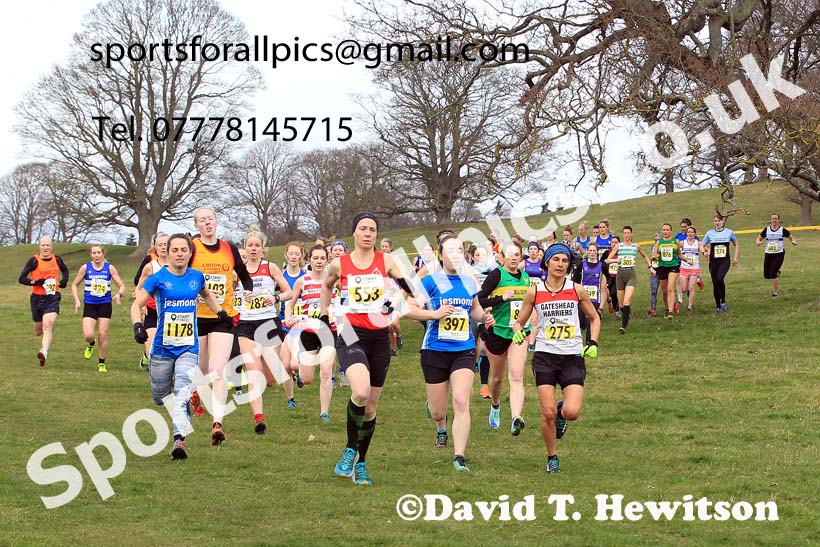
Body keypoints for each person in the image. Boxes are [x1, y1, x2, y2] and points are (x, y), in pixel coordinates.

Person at [322, 212, 416, 486]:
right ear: (354, 232)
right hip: (351, 332)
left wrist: (396, 305)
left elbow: (407, 287)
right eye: (362, 228)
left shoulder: (386, 260)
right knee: (360, 392)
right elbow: (326, 288)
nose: (367, 233)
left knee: (371, 407)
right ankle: (350, 448)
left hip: (379, 336)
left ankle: (360, 463)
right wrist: (327, 316)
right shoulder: (339, 264)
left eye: (372, 229)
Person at [131, 233, 231, 460]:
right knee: (160, 397)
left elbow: (207, 295)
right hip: (162, 348)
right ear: (167, 252)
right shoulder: (158, 278)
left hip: (188, 346)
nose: (179, 254)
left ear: (189, 253)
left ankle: (179, 440)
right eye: (174, 250)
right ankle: (174, 397)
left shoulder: (196, 277)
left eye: (183, 250)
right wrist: (138, 326)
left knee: (183, 392)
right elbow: (136, 305)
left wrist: (221, 313)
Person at [406, 234, 495, 473]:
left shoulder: (469, 282)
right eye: (449, 251)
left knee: (461, 400)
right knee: (438, 410)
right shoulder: (431, 281)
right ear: (440, 254)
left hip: (463, 350)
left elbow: (474, 310)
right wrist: (434, 314)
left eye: (459, 250)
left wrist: (484, 317)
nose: (454, 255)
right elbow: (408, 309)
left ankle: (459, 456)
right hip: (434, 349)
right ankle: (441, 427)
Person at [511, 243, 600, 474]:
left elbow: (594, 318)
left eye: (564, 261)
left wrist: (592, 342)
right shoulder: (535, 291)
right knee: (546, 412)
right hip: (545, 356)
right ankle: (552, 457)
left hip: (571, 356)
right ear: (547, 262)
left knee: (572, 413)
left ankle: (562, 412)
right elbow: (519, 321)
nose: (560, 264)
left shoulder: (577, 289)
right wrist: (518, 332)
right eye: (556, 260)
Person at [188, 207, 254, 446]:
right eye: (202, 220)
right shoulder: (193, 248)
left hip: (223, 317)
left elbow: (244, 275)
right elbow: (181, 273)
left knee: (218, 371)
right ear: (197, 226)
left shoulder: (229, 248)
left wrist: (247, 290)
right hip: (196, 317)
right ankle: (195, 392)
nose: (207, 223)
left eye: (211, 219)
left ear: (216, 222)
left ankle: (217, 424)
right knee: (203, 371)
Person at [235, 227, 293, 434]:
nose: (253, 249)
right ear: (244, 247)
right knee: (254, 375)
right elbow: (227, 295)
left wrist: (275, 298)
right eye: (249, 245)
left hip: (268, 324)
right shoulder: (237, 271)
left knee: (269, 379)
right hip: (246, 325)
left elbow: (289, 292)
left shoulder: (270, 267)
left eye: (256, 245)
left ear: (262, 249)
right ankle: (259, 420)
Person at [477, 241, 531, 435]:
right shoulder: (496, 275)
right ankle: (495, 404)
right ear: (503, 257)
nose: (514, 257)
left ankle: (516, 417)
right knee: (497, 378)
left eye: (518, 254)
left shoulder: (526, 278)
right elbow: (479, 300)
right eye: (511, 254)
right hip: (497, 332)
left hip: (518, 334)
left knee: (516, 376)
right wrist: (501, 299)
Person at [284, 244, 337, 422]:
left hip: (329, 331)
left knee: (326, 371)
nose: (319, 261)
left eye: (323, 258)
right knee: (307, 379)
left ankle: (324, 413)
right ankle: (299, 372)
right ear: (309, 260)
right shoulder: (302, 281)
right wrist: (289, 317)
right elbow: (290, 305)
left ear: (327, 260)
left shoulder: (335, 280)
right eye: (315, 258)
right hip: (309, 332)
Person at [70, 245, 126, 373]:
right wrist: (77, 300)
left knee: (102, 334)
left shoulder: (109, 268)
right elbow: (74, 284)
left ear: (103, 254)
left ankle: (101, 363)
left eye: (99, 253)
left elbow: (121, 285)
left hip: (105, 304)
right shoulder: (85, 268)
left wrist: (119, 294)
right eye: (94, 253)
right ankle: (91, 343)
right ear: (91, 254)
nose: (96, 255)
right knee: (89, 334)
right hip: (90, 304)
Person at [19, 236, 70, 367]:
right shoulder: (33, 260)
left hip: (52, 297)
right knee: (39, 331)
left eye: (48, 245)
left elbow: (65, 270)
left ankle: (44, 352)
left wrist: (64, 281)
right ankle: (45, 339)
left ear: (51, 247)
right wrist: (35, 282)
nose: (45, 248)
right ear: (39, 247)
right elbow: (21, 278)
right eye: (43, 245)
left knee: (48, 324)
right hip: (36, 298)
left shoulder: (57, 259)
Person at [605, 227, 654, 334]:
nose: (627, 235)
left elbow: (645, 256)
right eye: (625, 233)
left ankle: (624, 326)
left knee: (627, 300)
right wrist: (616, 260)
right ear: (623, 234)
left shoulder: (635, 246)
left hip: (631, 275)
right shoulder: (618, 246)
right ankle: (626, 315)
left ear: (631, 234)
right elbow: (607, 260)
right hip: (620, 275)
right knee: (622, 304)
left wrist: (650, 267)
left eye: (629, 233)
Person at [135, 233, 169, 370]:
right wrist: (141, 305)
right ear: (154, 247)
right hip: (153, 311)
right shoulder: (150, 267)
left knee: (168, 351)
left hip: (173, 313)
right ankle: (147, 356)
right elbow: (138, 288)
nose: (163, 247)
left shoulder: (181, 266)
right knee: (152, 350)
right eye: (160, 244)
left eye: (166, 244)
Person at [278, 242, 307, 402]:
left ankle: (301, 372)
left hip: (302, 323)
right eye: (291, 254)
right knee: (285, 364)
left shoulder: (306, 276)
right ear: (286, 255)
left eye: (297, 254)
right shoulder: (280, 276)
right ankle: (291, 399)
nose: (294, 257)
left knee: (295, 361)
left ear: (302, 256)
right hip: (284, 322)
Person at [703, 214, 740, 313]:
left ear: (723, 222)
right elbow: (702, 245)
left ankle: (723, 301)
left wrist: (735, 258)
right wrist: (705, 252)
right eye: (715, 221)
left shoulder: (729, 232)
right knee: (715, 283)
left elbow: (736, 244)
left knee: (720, 278)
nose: (717, 223)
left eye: (719, 221)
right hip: (713, 262)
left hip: (724, 261)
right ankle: (718, 306)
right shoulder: (709, 233)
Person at [470, 245, 493, 399]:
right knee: (471, 345)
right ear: (472, 257)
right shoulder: (468, 271)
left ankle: (484, 385)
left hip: (488, 311)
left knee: (485, 347)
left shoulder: (493, 272)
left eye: (483, 254)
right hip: (471, 312)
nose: (480, 257)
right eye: (477, 255)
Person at [756, 213, 797, 297]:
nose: (774, 220)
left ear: (778, 220)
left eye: (776, 218)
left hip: (779, 254)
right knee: (767, 275)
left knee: (773, 274)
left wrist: (793, 241)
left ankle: (775, 292)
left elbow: (791, 236)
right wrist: (758, 242)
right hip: (768, 253)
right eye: (772, 218)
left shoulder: (782, 230)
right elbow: (759, 237)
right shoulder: (766, 230)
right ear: (771, 220)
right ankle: (777, 272)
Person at [653, 223, 681, 319]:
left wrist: (687, 260)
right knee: (664, 291)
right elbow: (654, 255)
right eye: (664, 230)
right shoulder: (659, 242)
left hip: (673, 266)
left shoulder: (675, 242)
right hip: (662, 267)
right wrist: (655, 257)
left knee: (670, 288)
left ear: (671, 231)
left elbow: (679, 255)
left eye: (667, 230)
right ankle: (667, 307)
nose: (665, 232)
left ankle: (670, 312)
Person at [380, 238, 403, 354]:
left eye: (386, 246)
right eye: (382, 246)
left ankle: (399, 336)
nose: (384, 248)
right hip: (384, 295)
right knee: (388, 326)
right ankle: (392, 349)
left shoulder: (395, 260)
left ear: (391, 247)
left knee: (394, 323)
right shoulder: (378, 260)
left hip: (396, 295)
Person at [580, 243, 606, 342]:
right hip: (582, 297)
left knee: (591, 319)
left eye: (594, 251)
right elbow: (576, 279)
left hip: (595, 297)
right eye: (590, 251)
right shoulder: (582, 264)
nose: (592, 253)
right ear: (587, 252)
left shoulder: (601, 265)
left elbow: (606, 278)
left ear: (597, 252)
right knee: (582, 321)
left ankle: (589, 342)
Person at [678, 226, 706, 312]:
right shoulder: (682, 243)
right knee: (683, 289)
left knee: (691, 288)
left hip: (694, 268)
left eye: (692, 232)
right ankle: (698, 280)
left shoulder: (698, 243)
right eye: (689, 232)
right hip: (684, 268)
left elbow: (702, 249)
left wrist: (704, 253)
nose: (690, 233)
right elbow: (676, 251)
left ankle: (689, 307)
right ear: (686, 233)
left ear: (695, 233)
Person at [647, 232, 660, 317]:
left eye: (658, 240)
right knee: (653, 291)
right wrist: (651, 267)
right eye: (655, 240)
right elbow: (652, 258)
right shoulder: (653, 247)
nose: (656, 242)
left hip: (663, 270)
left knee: (666, 291)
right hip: (654, 270)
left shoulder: (664, 247)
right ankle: (653, 310)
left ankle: (671, 307)